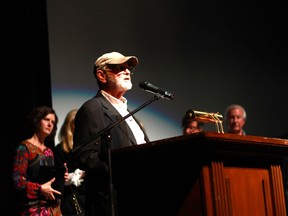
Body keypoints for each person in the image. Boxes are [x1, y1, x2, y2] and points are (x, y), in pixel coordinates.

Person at [72, 51, 150, 216]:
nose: (128, 71)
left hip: (139, 197)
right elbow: (85, 155)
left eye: (128, 68)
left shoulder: (126, 111)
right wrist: (126, 171)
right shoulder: (93, 108)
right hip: (113, 202)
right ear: (101, 75)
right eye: (119, 68)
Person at [11, 106, 68, 216]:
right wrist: (40, 189)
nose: (50, 124)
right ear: (37, 121)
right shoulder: (24, 148)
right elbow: (17, 182)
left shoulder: (48, 151)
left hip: (52, 209)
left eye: (53, 122)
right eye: (46, 120)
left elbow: (47, 180)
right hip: (34, 210)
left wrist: (60, 178)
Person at [54, 109, 86, 216]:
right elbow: (60, 179)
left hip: (88, 197)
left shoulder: (87, 147)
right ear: (70, 126)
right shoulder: (60, 150)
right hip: (72, 200)